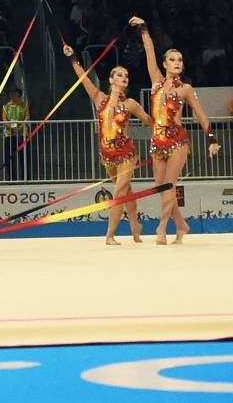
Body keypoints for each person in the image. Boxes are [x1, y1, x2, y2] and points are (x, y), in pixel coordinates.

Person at [129, 16, 220, 244]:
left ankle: (161, 228)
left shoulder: (186, 89)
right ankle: (181, 225)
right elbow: (149, 51)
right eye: (172, 59)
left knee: (169, 184)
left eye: (180, 60)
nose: (177, 62)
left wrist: (212, 139)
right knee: (162, 187)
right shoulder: (156, 81)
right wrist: (144, 29)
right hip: (157, 141)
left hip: (178, 140)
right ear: (165, 64)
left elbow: (200, 114)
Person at [63, 43, 151, 244]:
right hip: (107, 156)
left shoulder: (130, 104)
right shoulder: (99, 98)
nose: (124, 77)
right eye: (119, 75)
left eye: (126, 75)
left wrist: (167, 125)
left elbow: (150, 120)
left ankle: (110, 235)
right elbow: (83, 78)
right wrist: (72, 58)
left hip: (127, 154)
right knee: (127, 192)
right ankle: (135, 226)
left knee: (120, 192)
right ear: (111, 80)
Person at [1, 87, 29, 182]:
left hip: (22, 134)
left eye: (14, 93)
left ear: (18, 94)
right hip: (9, 134)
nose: (13, 95)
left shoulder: (24, 105)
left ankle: (25, 177)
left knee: (24, 156)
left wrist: (20, 127)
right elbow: (4, 120)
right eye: (11, 93)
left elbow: (27, 117)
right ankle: (11, 178)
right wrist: (11, 127)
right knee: (9, 157)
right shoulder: (6, 106)